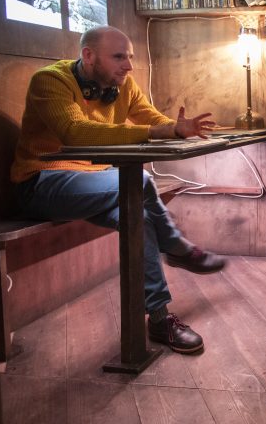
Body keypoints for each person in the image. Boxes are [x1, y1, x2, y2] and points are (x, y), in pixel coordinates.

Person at [11, 25, 227, 354]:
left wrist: (176, 128)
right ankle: (177, 245)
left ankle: (158, 318)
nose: (128, 65)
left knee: (137, 215)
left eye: (130, 57)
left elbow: (152, 120)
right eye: (118, 57)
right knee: (138, 181)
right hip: (40, 183)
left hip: (95, 182)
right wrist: (159, 132)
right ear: (88, 56)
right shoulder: (50, 81)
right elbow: (75, 132)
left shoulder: (121, 85)